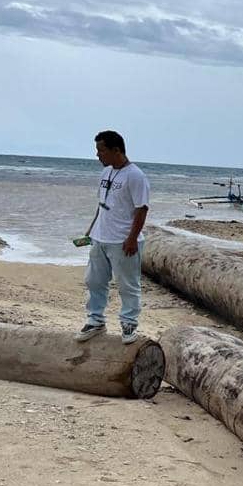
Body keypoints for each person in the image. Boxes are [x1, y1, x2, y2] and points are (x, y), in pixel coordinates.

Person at [75, 131, 150, 344]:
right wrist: (91, 230)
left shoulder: (135, 176)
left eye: (101, 150)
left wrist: (132, 238)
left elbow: (142, 209)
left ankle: (129, 323)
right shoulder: (106, 172)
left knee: (127, 285)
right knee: (94, 281)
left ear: (116, 150)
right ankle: (96, 320)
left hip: (122, 240)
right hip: (100, 237)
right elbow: (102, 205)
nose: (98, 155)